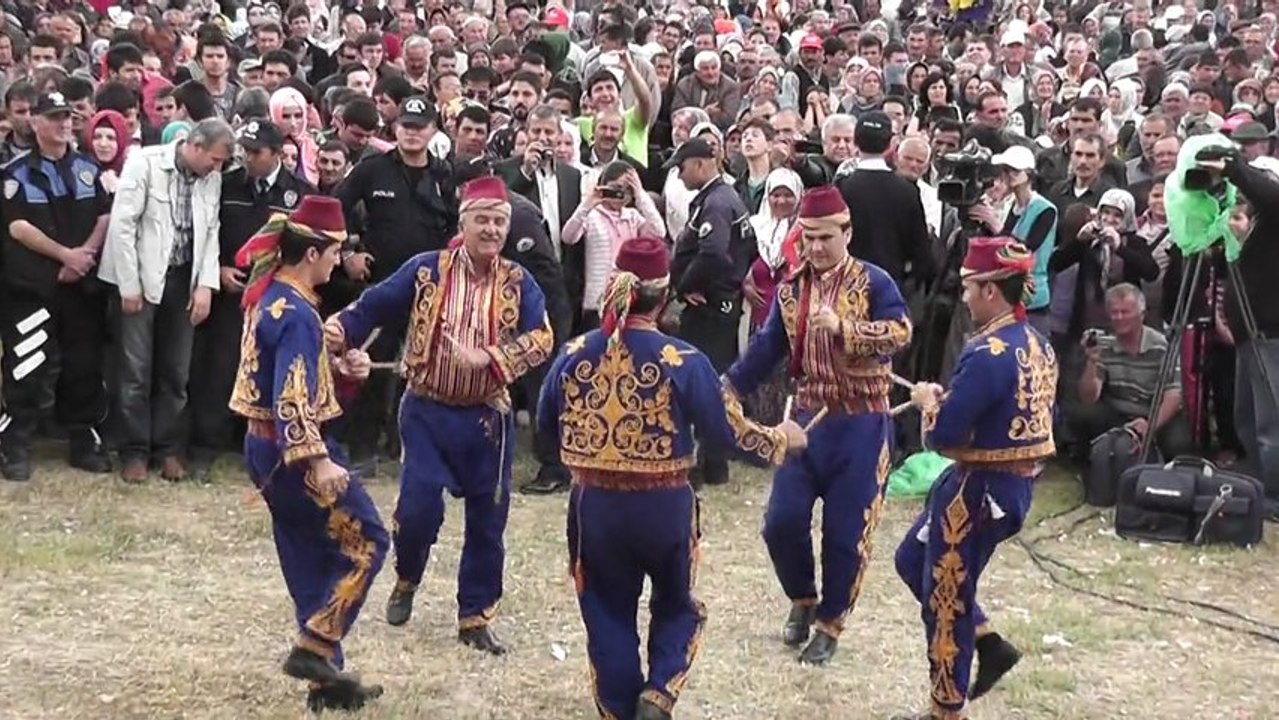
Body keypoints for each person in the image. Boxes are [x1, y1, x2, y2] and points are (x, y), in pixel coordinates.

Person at [536, 236, 808, 720]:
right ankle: (659, 692)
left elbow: (543, 428)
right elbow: (727, 433)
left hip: (594, 506)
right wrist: (781, 439)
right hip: (663, 505)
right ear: (664, 297)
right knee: (676, 603)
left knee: (605, 609)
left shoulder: (573, 352)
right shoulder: (683, 360)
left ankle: (620, 709)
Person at [325, 177, 553, 655]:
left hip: (488, 419)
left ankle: (475, 616)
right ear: (463, 222)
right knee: (418, 508)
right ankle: (407, 577)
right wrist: (339, 329)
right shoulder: (426, 270)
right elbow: (374, 305)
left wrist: (490, 359)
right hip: (427, 409)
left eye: (499, 221)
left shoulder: (519, 281)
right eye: (482, 220)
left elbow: (542, 338)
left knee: (487, 522)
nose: (491, 230)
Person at [725, 186, 912, 665]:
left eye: (825, 237)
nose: (815, 248)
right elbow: (767, 349)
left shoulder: (875, 282)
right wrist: (726, 386)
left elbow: (901, 332)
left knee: (846, 533)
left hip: (863, 419)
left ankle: (831, 623)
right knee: (781, 522)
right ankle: (802, 598)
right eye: (807, 238)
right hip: (807, 416)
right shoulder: (790, 291)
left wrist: (847, 331)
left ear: (847, 233)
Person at [228, 195, 388, 714]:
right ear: (314, 251)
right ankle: (314, 650)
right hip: (295, 452)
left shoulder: (267, 294)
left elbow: (285, 381)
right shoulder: (297, 313)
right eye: (335, 252)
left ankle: (326, 681)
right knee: (369, 542)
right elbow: (292, 398)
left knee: (309, 554)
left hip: (263, 447)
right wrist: (317, 459)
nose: (338, 262)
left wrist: (344, 375)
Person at [892, 237, 1058, 720]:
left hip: (976, 493)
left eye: (969, 288)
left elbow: (941, 437)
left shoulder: (986, 352)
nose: (963, 298)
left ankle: (946, 707)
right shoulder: (1039, 345)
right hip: (1010, 490)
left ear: (989, 290)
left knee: (946, 597)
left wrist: (929, 404)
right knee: (911, 559)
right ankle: (987, 642)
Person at [98, 117, 234, 483]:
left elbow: (211, 231)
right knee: (135, 370)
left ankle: (169, 448)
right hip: (141, 276)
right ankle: (134, 450)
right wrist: (129, 284)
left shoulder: (212, 179)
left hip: (183, 279)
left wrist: (206, 284)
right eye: (215, 159)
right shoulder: (144, 163)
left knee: (176, 371)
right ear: (195, 145)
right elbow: (123, 225)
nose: (217, 167)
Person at [190, 119, 315, 474]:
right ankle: (205, 446)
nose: (247, 158)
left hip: (278, 298)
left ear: (277, 153)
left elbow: (309, 248)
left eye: (256, 152)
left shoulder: (300, 192)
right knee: (220, 367)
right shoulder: (225, 184)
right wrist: (220, 270)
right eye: (243, 151)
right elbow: (207, 232)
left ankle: (264, 447)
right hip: (232, 292)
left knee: (273, 371)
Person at [0, 91, 113, 481]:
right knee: (26, 366)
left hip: (81, 288)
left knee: (83, 366)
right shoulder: (16, 174)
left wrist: (84, 255)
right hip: (32, 290)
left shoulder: (86, 167)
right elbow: (18, 227)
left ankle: (83, 438)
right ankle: (15, 442)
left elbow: (103, 215)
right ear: (35, 123)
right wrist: (65, 256)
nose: (65, 123)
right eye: (54, 117)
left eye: (68, 116)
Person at [668, 137, 755, 487]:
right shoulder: (728, 197)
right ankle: (714, 462)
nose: (679, 174)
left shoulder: (716, 202)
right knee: (716, 383)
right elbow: (751, 249)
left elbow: (714, 252)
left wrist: (689, 286)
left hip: (709, 312)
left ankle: (705, 464)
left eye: (682, 167)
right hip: (723, 305)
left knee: (700, 385)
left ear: (701, 164)